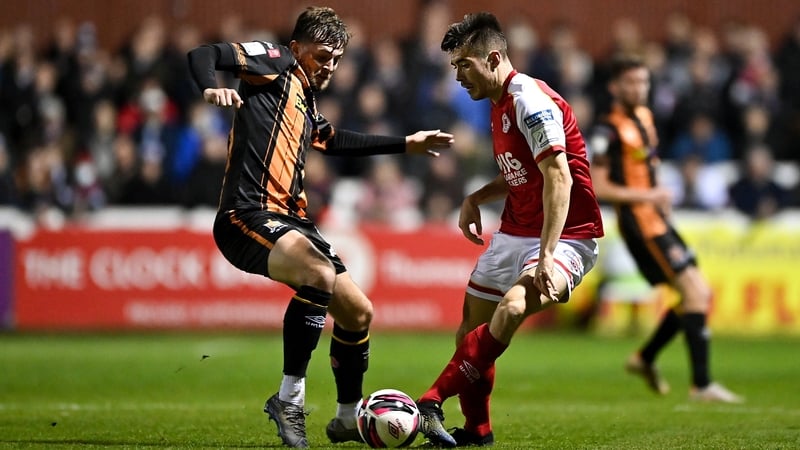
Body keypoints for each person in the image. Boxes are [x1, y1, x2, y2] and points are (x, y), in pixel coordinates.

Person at [186, 7, 453, 448]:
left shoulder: (305, 99)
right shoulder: (274, 62)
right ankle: (289, 399)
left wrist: (406, 144)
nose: (329, 66)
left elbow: (334, 140)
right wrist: (211, 89)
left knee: (358, 312)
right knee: (319, 274)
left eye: (336, 60)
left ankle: (348, 417)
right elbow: (204, 53)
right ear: (296, 49)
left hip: (292, 220)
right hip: (246, 214)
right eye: (322, 56)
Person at [415, 13, 605, 447]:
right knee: (469, 332)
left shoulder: (529, 101)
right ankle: (477, 432)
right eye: (454, 66)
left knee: (514, 308)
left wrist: (545, 255)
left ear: (494, 57)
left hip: (567, 235)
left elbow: (559, 177)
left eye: (464, 64)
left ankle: (430, 400)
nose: (458, 76)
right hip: (515, 229)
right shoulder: (499, 102)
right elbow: (522, 172)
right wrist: (475, 197)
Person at [587, 54, 743, 403]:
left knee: (697, 294)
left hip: (657, 218)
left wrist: (656, 196)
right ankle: (700, 384)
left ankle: (646, 359)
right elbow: (598, 186)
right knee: (697, 293)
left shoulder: (645, 117)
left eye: (643, 81)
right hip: (638, 222)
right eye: (630, 82)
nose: (639, 88)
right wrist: (649, 193)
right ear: (614, 87)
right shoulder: (605, 130)